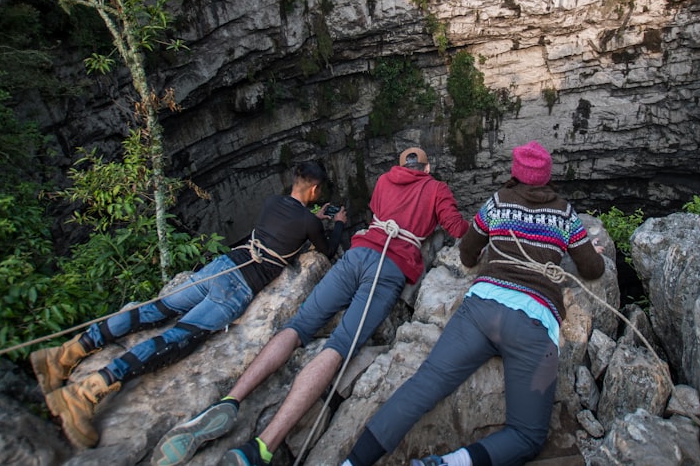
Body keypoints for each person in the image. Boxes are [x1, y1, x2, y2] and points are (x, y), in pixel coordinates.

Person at [152, 147, 470, 466]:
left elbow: (376, 217)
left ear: (400, 167)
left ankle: (230, 400)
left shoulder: (386, 180)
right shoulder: (436, 188)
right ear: (426, 169)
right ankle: (261, 447)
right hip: (388, 269)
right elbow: (456, 229)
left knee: (297, 326)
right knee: (340, 345)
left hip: (356, 257)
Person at [32, 160, 347, 450]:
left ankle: (63, 354)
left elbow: (286, 223)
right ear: (316, 190)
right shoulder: (309, 222)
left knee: (152, 312)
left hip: (218, 267)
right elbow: (327, 250)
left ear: (295, 180)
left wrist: (311, 218)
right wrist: (338, 224)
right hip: (237, 288)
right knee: (174, 339)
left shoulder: (271, 202)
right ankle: (84, 393)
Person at [342, 140, 606, 466]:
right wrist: (586, 250)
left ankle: (352, 462)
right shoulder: (565, 213)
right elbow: (593, 270)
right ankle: (449, 463)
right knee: (527, 435)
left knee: (423, 385)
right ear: (547, 177)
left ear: (516, 173)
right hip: (532, 324)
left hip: (481, 309)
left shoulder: (497, 203)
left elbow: (468, 252)